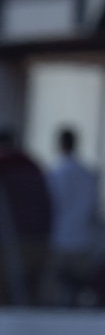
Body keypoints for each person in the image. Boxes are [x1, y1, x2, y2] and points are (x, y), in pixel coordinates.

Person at [46, 125, 98, 306]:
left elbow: (52, 204)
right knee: (81, 291)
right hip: (83, 238)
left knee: (57, 292)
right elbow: (93, 206)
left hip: (60, 237)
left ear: (60, 145)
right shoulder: (87, 173)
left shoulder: (57, 173)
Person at [0, 127, 51, 305]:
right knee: (31, 289)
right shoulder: (32, 165)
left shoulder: (4, 164)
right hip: (38, 235)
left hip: (9, 239)